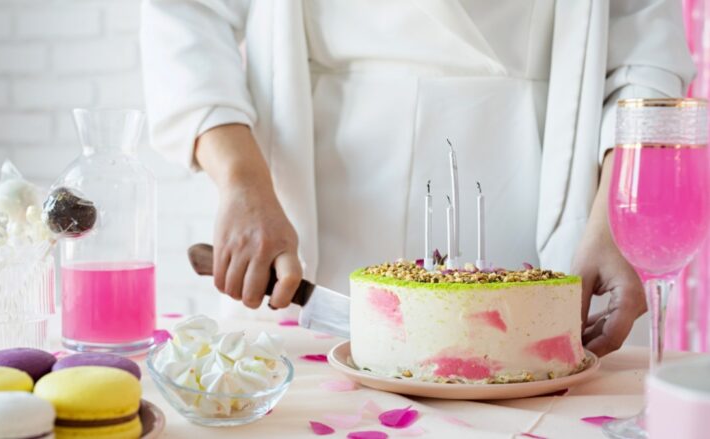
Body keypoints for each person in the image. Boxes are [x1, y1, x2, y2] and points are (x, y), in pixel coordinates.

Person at [141, 0, 695, 356]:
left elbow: (645, 33)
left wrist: (614, 218)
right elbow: (187, 12)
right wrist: (241, 179)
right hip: (312, 202)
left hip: (547, 193)